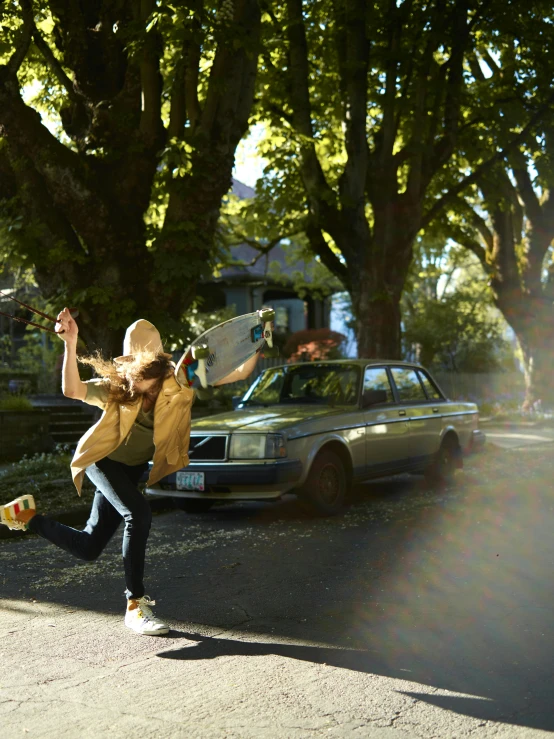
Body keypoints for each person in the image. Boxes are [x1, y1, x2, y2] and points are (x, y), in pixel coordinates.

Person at [0, 308, 259, 635]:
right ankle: (136, 605)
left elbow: (235, 372)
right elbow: (72, 390)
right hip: (102, 460)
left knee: (89, 547)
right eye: (131, 371)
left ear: (158, 368)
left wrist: (255, 344)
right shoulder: (116, 387)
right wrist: (71, 342)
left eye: (141, 373)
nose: (133, 380)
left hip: (129, 470)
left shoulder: (179, 383)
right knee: (139, 513)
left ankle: (25, 516)